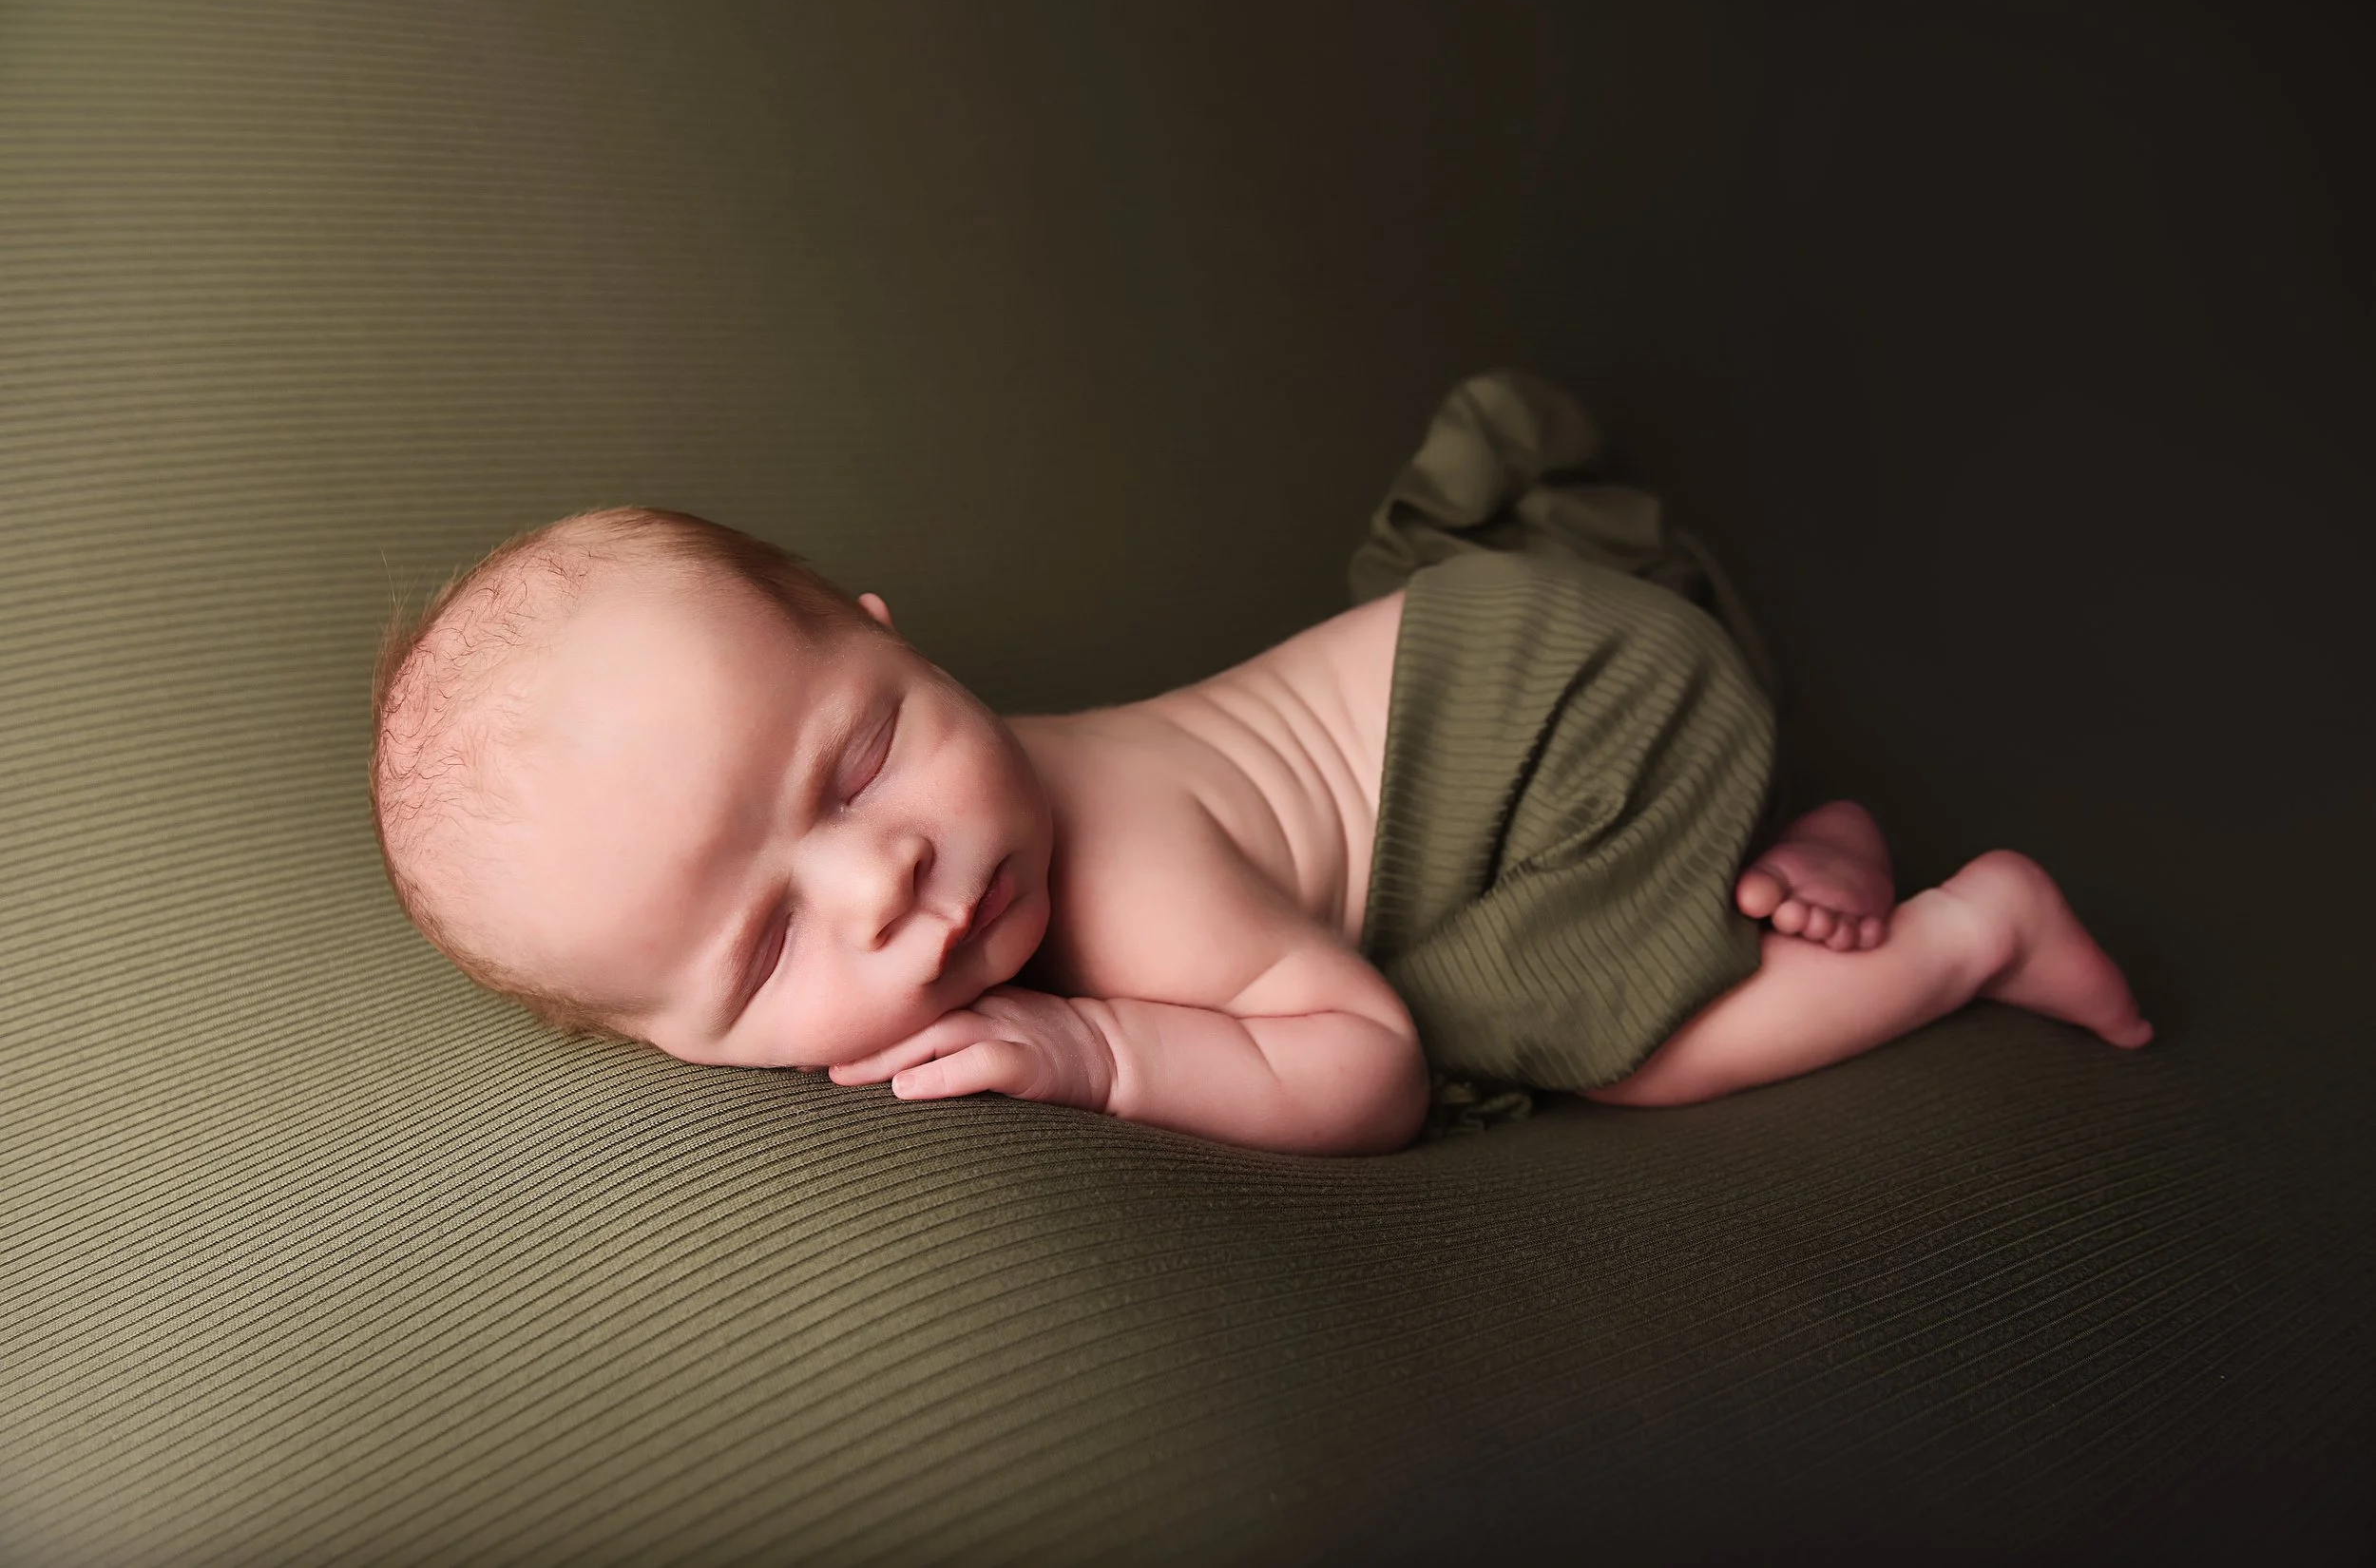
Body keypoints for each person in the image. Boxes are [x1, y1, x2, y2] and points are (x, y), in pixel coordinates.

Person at [372, 455, 2149, 1159]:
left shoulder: (1126, 887)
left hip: (1571, 716)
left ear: (883, 633)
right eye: (768, 944)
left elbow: (1363, 1067)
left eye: (860, 761)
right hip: (1528, 662)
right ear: (675, 1047)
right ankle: (1796, 832)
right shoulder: (974, 831)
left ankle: (1966, 928)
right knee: (1633, 890)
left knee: (1608, 1051)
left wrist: (1109, 1057)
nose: (886, 876)